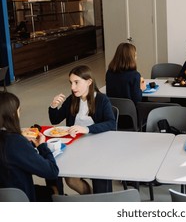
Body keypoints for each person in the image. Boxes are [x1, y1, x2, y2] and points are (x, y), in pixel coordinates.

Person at [49, 65, 116, 194]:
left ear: (89, 82)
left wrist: (86, 129)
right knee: (70, 179)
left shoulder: (102, 100)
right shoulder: (72, 99)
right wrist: (53, 106)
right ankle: (89, 196)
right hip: (75, 146)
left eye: (76, 82)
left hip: (98, 147)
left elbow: (111, 123)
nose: (72, 87)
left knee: (99, 175)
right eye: (71, 83)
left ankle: (98, 199)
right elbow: (55, 120)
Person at [0, 92, 59, 201]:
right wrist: (42, 146)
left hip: (4, 196)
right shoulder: (15, 142)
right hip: (20, 198)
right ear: (13, 114)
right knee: (52, 190)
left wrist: (26, 144)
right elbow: (52, 171)